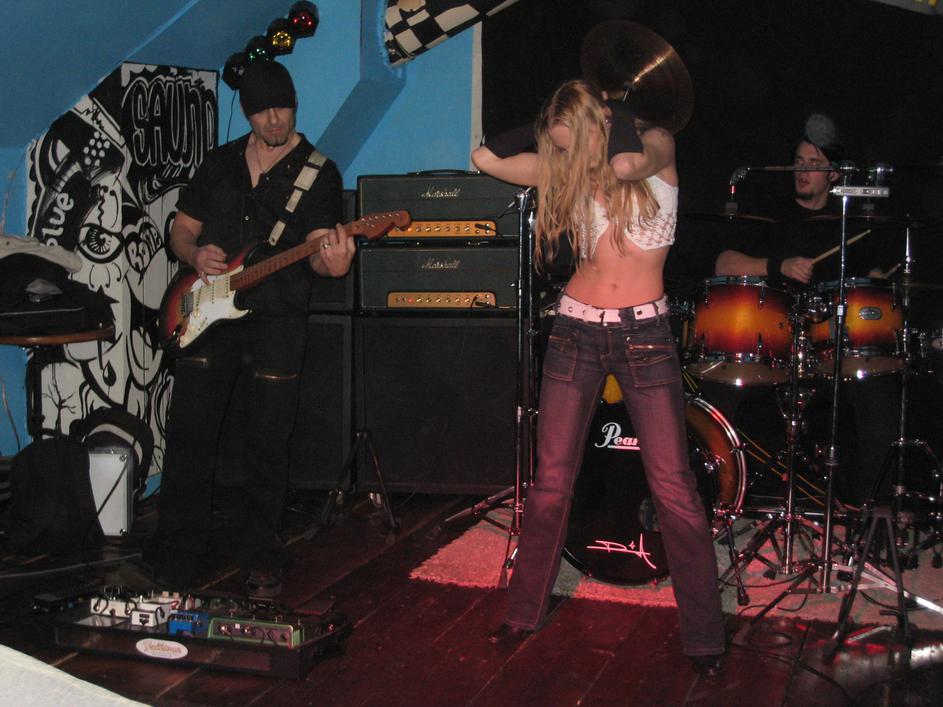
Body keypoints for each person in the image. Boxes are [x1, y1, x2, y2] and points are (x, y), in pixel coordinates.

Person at [471, 79, 727, 677]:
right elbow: (485, 158)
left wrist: (612, 117)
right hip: (575, 330)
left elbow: (629, 162)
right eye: (557, 145)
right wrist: (548, 125)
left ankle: (705, 635)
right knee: (551, 481)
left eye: (572, 141)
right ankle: (524, 612)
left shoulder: (654, 144)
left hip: (645, 334)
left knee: (673, 485)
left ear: (599, 124)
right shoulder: (571, 168)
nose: (565, 156)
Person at [142, 60, 351, 597]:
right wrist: (195, 254)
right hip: (205, 317)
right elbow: (181, 230)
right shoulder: (219, 163)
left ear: (295, 105)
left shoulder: (319, 173)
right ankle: (176, 556)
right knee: (189, 437)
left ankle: (261, 555)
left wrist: (336, 262)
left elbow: (321, 255)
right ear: (247, 112)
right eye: (262, 111)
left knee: (268, 442)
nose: (274, 120)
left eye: (282, 108)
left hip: (278, 320)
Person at [710, 114, 900, 506]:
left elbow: (876, 279)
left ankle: (873, 511)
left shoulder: (850, 222)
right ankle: (714, 498)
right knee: (719, 386)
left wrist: (880, 285)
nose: (803, 170)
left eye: (814, 163)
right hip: (773, 343)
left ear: (835, 174)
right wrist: (776, 266)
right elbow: (723, 263)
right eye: (799, 161)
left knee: (879, 395)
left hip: (833, 346)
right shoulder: (771, 212)